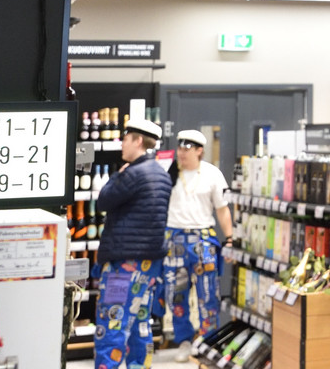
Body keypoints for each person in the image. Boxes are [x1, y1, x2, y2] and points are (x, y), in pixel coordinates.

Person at [93, 117, 172, 369]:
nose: (122, 144)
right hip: (150, 264)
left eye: (125, 139)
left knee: (112, 324)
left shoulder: (132, 174)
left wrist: (117, 175)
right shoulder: (161, 174)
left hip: (124, 265)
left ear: (138, 141)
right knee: (140, 324)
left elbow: (103, 201)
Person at [163, 129, 234, 361]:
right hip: (174, 239)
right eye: (179, 148)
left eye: (187, 149)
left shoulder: (212, 174)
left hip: (203, 240)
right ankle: (184, 340)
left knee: (208, 294)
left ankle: (207, 341)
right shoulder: (169, 172)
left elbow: (222, 210)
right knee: (176, 295)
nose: (181, 153)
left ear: (199, 151)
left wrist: (230, 238)